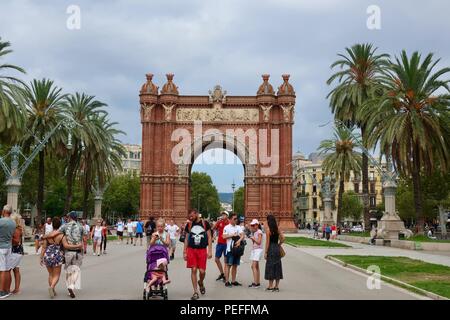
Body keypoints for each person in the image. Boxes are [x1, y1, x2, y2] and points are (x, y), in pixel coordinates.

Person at [47, 211, 86, 298]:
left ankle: (69, 286)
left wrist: (44, 236)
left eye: (68, 217)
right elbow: (85, 238)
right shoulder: (81, 226)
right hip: (78, 251)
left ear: (70, 217)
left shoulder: (65, 226)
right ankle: (71, 286)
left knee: (68, 271)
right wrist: (82, 246)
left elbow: (55, 233)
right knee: (75, 270)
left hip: (68, 252)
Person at [183, 209, 212, 300]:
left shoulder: (205, 223)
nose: (190, 218)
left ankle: (201, 282)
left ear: (196, 214)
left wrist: (210, 250)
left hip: (202, 250)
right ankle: (195, 292)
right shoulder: (189, 224)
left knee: (202, 272)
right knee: (194, 270)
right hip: (191, 250)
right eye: (189, 216)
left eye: (191, 216)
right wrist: (184, 251)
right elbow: (187, 239)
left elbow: (210, 237)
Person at [222, 213, 244, 287]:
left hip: (237, 249)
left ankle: (233, 281)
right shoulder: (226, 227)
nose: (236, 220)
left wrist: (239, 241)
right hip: (230, 249)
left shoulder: (238, 227)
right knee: (229, 265)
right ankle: (227, 281)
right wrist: (232, 235)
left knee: (235, 265)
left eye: (236, 218)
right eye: (234, 219)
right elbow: (223, 236)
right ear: (230, 219)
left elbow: (242, 235)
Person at [264, 214, 285, 292]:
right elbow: (283, 238)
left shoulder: (268, 230)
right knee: (277, 266)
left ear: (268, 221)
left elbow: (267, 242)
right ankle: (276, 286)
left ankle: (270, 286)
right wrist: (279, 244)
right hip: (276, 248)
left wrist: (266, 252)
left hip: (271, 248)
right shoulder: (278, 228)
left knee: (270, 266)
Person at [0, 205, 16, 299]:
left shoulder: (0, 221)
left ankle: (1, 291)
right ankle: (6, 290)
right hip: (8, 247)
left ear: (4, 211)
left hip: (0, 247)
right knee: (6, 269)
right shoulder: (13, 223)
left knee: (2, 270)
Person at [9, 214, 24, 295]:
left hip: (15, 251)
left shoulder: (16, 229)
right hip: (17, 251)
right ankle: (17, 289)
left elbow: (16, 241)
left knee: (8, 270)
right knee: (16, 270)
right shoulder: (18, 228)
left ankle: (7, 288)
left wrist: (8, 237)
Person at [212, 211, 229, 282]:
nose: (222, 215)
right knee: (216, 259)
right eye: (222, 214)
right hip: (219, 243)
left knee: (225, 260)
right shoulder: (220, 222)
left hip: (226, 243)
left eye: (224, 214)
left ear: (227, 216)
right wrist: (216, 222)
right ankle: (222, 273)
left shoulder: (229, 223)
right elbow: (213, 228)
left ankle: (225, 275)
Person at [248, 219, 263, 288]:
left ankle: (255, 283)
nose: (253, 226)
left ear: (257, 225)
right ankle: (257, 282)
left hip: (258, 250)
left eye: (254, 225)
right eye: (252, 225)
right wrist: (253, 239)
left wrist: (253, 239)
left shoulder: (259, 231)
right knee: (256, 267)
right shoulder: (255, 232)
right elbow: (255, 242)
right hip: (255, 250)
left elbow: (259, 242)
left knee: (253, 266)